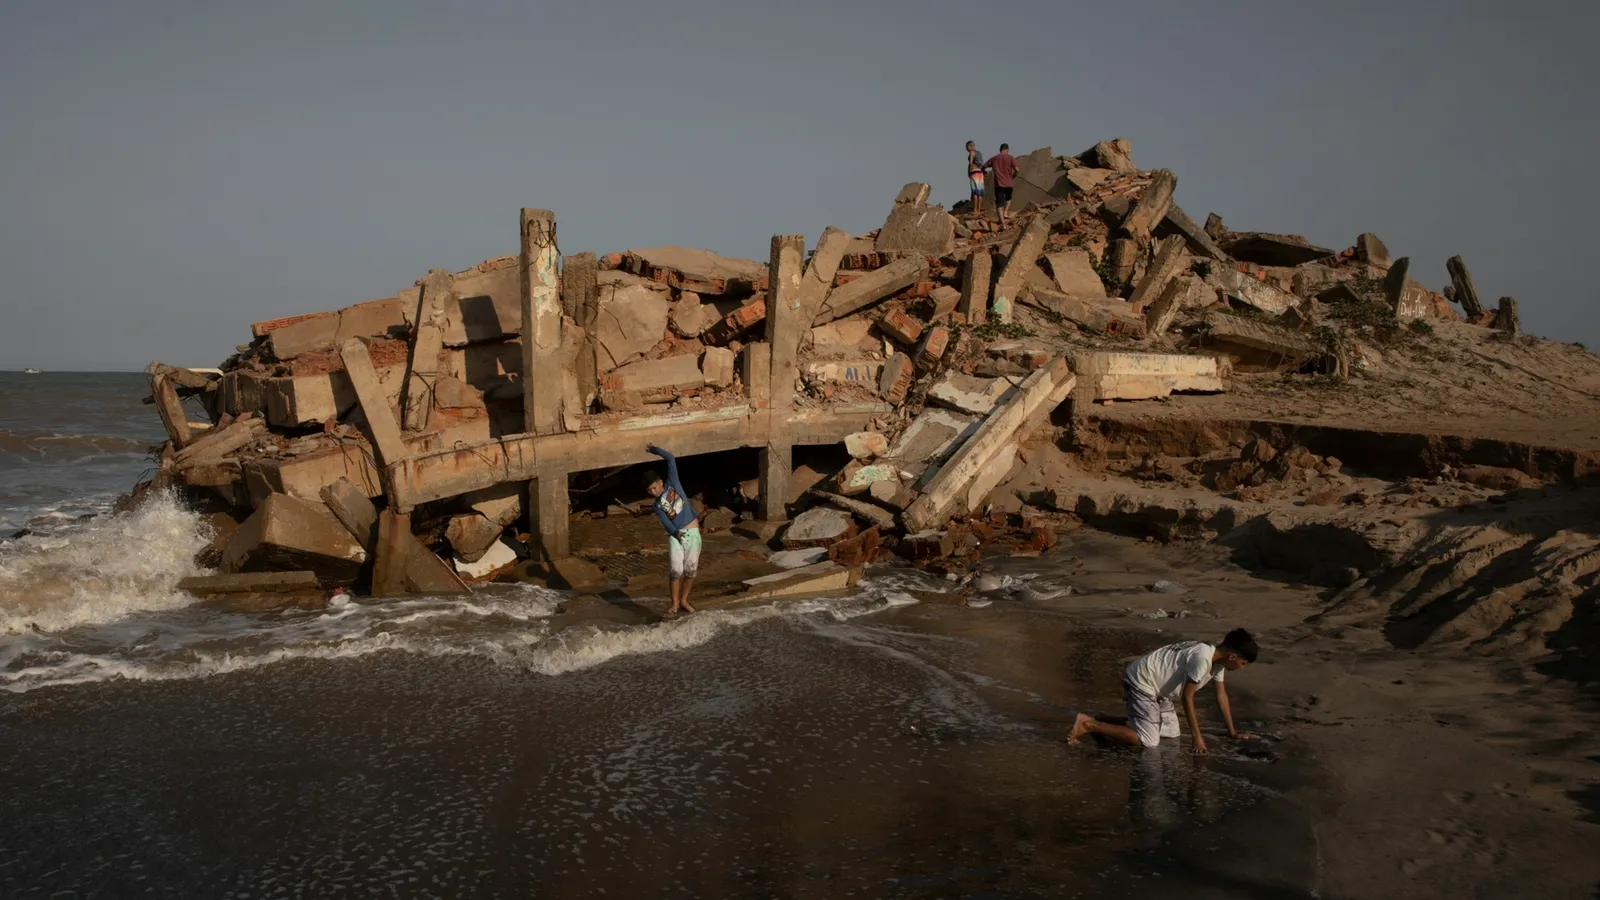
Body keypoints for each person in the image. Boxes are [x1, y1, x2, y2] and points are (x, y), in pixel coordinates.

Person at [1068, 628, 1260, 754]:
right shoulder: (1202, 659)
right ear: (1232, 656)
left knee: (1171, 732)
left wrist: (1233, 733)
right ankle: (1089, 725)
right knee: (1149, 741)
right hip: (1142, 682)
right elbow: (1187, 697)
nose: (1242, 667)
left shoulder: (1218, 663)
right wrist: (1197, 737)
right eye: (1243, 663)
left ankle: (1105, 719)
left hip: (1158, 690)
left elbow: (1221, 695)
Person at [644, 443, 700, 617]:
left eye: (654, 487)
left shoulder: (673, 483)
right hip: (676, 536)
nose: (653, 492)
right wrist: (676, 533)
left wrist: (654, 450)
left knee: (690, 571)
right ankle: (674, 604)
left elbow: (670, 458)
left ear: (660, 482)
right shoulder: (656, 505)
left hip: (693, 533)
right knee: (676, 571)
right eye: (650, 490)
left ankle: (684, 600)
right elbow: (665, 523)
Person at [984, 143, 1019, 228]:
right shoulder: (1011, 158)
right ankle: (1006, 212)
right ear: (1007, 150)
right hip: (1009, 184)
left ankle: (1003, 225)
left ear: (1000, 150)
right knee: (1009, 198)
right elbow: (1017, 169)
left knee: (999, 206)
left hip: (999, 185)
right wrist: (1013, 176)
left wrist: (984, 173)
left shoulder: (994, 158)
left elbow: (984, 166)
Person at [965, 140, 986, 215]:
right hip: (980, 173)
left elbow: (970, 163)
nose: (966, 149)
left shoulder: (972, 152)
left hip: (974, 173)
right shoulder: (979, 153)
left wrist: (969, 172)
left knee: (974, 192)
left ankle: (975, 209)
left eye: (966, 147)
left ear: (970, 146)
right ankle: (979, 209)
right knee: (979, 192)